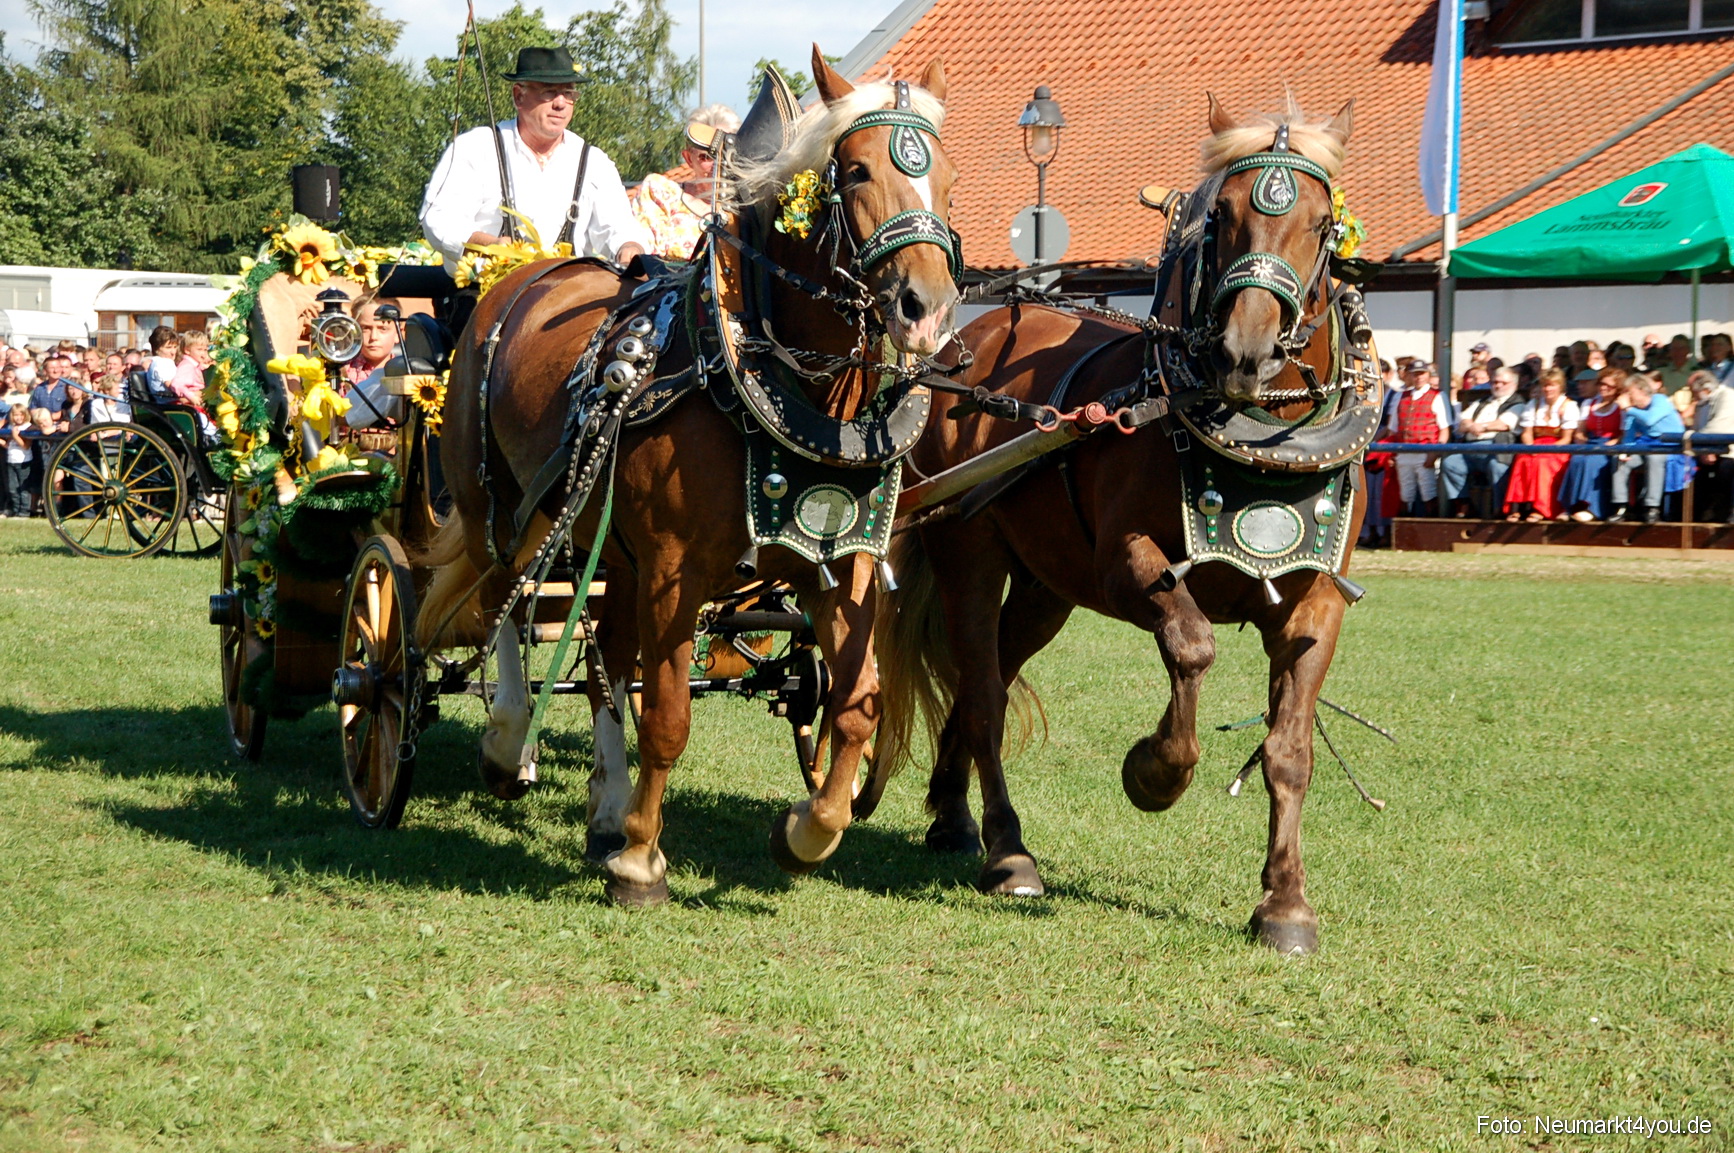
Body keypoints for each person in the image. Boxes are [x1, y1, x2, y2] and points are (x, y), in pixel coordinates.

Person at [420, 46, 649, 271]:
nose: (560, 103)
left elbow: (619, 226)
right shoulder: (477, 148)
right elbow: (440, 219)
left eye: (568, 94)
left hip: (568, 297)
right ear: (519, 96)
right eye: (549, 92)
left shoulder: (593, 162)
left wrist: (629, 246)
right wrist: (489, 245)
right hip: (483, 295)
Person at [629, 104, 740, 261]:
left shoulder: (746, 207)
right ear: (689, 159)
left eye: (725, 155)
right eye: (706, 157)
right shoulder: (661, 195)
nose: (718, 164)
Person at [1442, 366, 1523, 516]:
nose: (1497, 386)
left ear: (1514, 385)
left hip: (1496, 448)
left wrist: (1480, 426)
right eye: (1495, 382)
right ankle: (1465, 505)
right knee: (1450, 463)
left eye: (1503, 383)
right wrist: (1471, 425)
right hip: (1470, 447)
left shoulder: (1517, 404)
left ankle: (1501, 509)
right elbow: (1462, 421)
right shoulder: (1482, 402)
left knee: (1498, 467)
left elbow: (1503, 424)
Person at [1608, 374, 1686, 525]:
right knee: (1619, 460)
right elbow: (1629, 436)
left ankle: (1652, 507)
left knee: (1654, 458)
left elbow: (1650, 419)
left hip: (1670, 446)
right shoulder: (1633, 410)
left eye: (1630, 392)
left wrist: (1628, 408)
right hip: (1647, 445)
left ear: (1642, 390)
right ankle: (1621, 507)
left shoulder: (1660, 400)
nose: (1627, 396)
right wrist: (1625, 451)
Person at [1502, 368, 1577, 522]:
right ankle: (1518, 507)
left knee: (1543, 462)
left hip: (1558, 447)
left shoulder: (1568, 406)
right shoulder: (1534, 404)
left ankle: (1542, 508)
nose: (1548, 389)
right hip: (1536, 444)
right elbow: (1527, 432)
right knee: (1523, 459)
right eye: (1545, 385)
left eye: (1552, 385)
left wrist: (1548, 449)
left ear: (1560, 386)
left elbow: (1567, 438)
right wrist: (1531, 447)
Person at [1380, 358, 1448, 516]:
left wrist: (1435, 453)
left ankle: (1430, 529)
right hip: (1403, 452)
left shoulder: (1437, 396)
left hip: (1425, 451)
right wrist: (1392, 453)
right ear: (1409, 376)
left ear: (1428, 375)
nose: (1419, 377)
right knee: (1405, 494)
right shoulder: (1401, 396)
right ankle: (1406, 533)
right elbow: (1393, 430)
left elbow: (1444, 429)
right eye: (1415, 374)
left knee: (1429, 493)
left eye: (1422, 373)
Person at [1557, 367, 1625, 522]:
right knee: (1576, 460)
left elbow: (1623, 433)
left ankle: (1591, 507)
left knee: (1593, 462)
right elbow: (1581, 430)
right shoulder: (1589, 403)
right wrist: (1581, 437)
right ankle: (1571, 506)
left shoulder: (1621, 406)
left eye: (1609, 385)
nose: (1603, 388)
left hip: (1610, 445)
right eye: (1601, 383)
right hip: (1591, 442)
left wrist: (1612, 443)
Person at [1690, 369, 1734, 523]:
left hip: (1729, 452)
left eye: (1694, 392)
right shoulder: (1701, 404)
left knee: (1726, 471)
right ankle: (1696, 517)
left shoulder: (1727, 396)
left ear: (1706, 389)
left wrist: (1705, 447)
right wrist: (1704, 449)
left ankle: (1728, 514)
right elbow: (1698, 429)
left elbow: (1718, 427)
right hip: (1708, 451)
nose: (1692, 397)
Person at [2, 404, 32, 517]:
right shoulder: (9, 426)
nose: (18, 417)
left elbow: (26, 446)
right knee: (12, 488)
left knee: (23, 488)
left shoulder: (28, 426)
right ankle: (15, 510)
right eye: (15, 415)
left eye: (21, 415)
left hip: (24, 461)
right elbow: (8, 445)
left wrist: (15, 436)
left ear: (25, 415)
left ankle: (24, 512)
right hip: (11, 460)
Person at [171, 330, 212, 409]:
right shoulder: (187, 365)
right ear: (187, 350)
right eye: (199, 349)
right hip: (191, 405)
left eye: (205, 350)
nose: (203, 354)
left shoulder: (195, 365)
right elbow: (176, 384)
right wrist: (191, 397)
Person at [145, 326, 180, 402]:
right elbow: (173, 386)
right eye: (168, 347)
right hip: (171, 405)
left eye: (175, 347)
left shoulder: (156, 362)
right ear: (156, 349)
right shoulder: (163, 363)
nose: (173, 352)